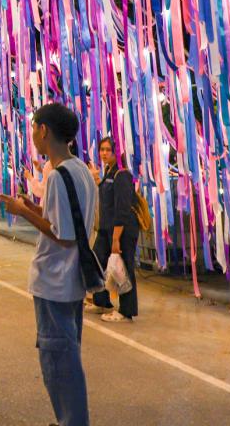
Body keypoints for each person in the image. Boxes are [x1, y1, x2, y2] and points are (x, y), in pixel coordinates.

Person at [0, 103, 98, 426]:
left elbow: (63, 235)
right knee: (67, 356)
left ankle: (72, 420)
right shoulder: (80, 169)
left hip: (55, 280)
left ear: (44, 131)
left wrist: (22, 212)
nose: (32, 135)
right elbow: (67, 221)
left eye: (33, 128)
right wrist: (33, 208)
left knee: (59, 364)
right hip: (71, 281)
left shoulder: (57, 175)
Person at [86, 135, 139, 322]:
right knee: (97, 260)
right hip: (106, 229)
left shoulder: (122, 174)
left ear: (116, 152)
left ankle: (126, 310)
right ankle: (101, 301)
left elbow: (122, 209)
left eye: (108, 150)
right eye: (102, 149)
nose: (104, 153)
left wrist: (116, 238)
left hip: (122, 230)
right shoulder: (109, 172)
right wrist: (97, 179)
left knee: (124, 267)